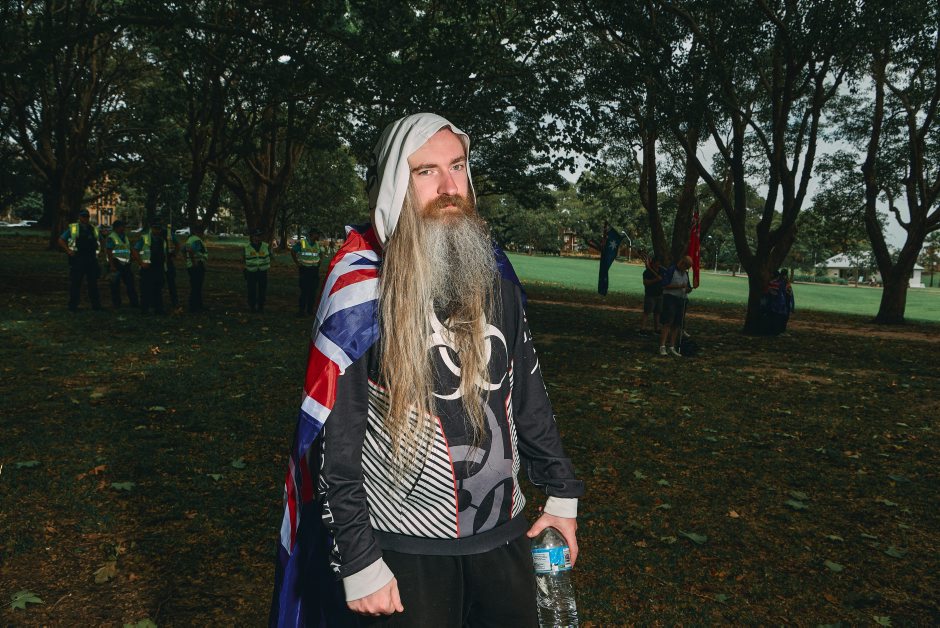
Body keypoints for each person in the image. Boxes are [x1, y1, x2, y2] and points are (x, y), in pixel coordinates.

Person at [270, 114, 584, 627]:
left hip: (503, 538)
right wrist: (358, 557)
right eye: (426, 172)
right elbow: (335, 445)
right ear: (396, 185)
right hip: (403, 552)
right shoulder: (360, 294)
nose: (448, 187)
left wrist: (562, 493)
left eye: (457, 167)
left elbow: (528, 399)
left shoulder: (496, 278)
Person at [58, 208, 102, 311]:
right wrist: (68, 251)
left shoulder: (93, 229)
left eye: (87, 216)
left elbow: (101, 240)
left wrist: (100, 252)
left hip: (91, 259)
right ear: (79, 217)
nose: (85, 218)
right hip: (78, 259)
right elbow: (61, 240)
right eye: (83, 216)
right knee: (76, 283)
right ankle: (73, 306)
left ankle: (96, 306)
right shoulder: (74, 228)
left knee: (93, 283)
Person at [659, 255, 693, 356]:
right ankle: (662, 346)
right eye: (686, 266)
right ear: (681, 263)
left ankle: (672, 347)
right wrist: (679, 286)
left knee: (677, 324)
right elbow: (664, 285)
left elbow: (687, 287)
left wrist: (689, 289)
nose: (686, 269)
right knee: (667, 322)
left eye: (687, 268)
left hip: (681, 300)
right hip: (670, 298)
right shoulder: (671, 270)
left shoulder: (685, 273)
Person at [133, 221, 168, 315]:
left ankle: (158, 309)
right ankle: (145, 310)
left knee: (158, 289)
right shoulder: (144, 238)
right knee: (146, 290)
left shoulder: (162, 240)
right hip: (147, 268)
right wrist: (141, 263)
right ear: (151, 228)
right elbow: (135, 250)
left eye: (159, 228)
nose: (157, 230)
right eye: (155, 228)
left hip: (159, 267)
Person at [105, 220, 138, 308]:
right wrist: (112, 265)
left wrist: (134, 257)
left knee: (130, 284)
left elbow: (129, 248)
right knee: (115, 285)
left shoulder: (125, 237)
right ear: (116, 228)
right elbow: (109, 251)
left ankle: (134, 303)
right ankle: (117, 304)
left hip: (126, 264)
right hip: (116, 263)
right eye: (122, 227)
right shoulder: (112, 237)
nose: (123, 228)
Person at [291, 227, 322, 317]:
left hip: (314, 270)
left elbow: (320, 253)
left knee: (313, 291)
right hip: (305, 270)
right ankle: (301, 311)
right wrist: (297, 263)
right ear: (312, 234)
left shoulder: (317, 244)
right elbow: (293, 251)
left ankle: (310, 310)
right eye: (317, 234)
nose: (318, 236)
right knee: (304, 291)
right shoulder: (303, 243)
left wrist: (319, 261)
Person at [244, 228, 272, 312]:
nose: (257, 237)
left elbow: (270, 256)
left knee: (262, 290)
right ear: (252, 237)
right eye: (256, 236)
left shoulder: (265, 246)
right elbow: (243, 259)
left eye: (259, 236)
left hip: (262, 271)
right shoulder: (247, 247)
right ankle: (252, 306)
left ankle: (261, 307)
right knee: (251, 290)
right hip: (251, 271)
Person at [184, 225, 208, 312]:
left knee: (195, 286)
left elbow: (183, 250)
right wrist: (194, 262)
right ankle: (194, 307)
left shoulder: (189, 239)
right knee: (197, 287)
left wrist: (187, 260)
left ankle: (198, 305)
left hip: (190, 265)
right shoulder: (196, 240)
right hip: (197, 265)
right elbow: (191, 250)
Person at [641, 253, 664, 333]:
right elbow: (645, 282)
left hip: (660, 294)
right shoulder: (647, 272)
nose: (659, 263)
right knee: (647, 312)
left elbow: (663, 279)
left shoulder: (662, 270)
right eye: (658, 262)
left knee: (657, 312)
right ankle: (643, 329)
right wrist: (655, 280)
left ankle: (656, 329)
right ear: (654, 262)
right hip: (650, 295)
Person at [165, 223, 181, 311]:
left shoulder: (151, 233)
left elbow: (178, 245)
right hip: (167, 259)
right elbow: (178, 245)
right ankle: (175, 302)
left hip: (162, 260)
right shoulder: (168, 233)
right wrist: (174, 254)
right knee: (171, 283)